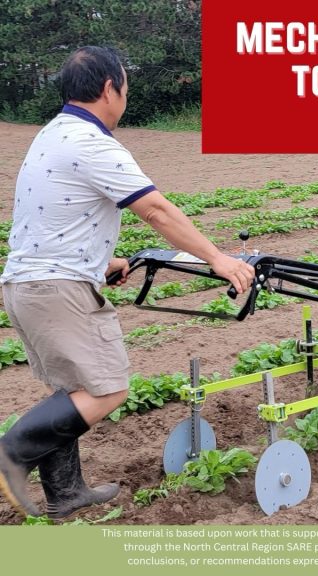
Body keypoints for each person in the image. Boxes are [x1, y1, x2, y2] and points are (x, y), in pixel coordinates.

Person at [0, 46, 255, 519]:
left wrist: (102, 261)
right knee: (106, 390)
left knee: (72, 388)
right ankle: (11, 452)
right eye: (125, 88)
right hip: (57, 289)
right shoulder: (93, 144)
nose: (125, 99)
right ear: (108, 89)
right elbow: (155, 209)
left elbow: (53, 218)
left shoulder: (52, 134)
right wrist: (218, 258)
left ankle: (66, 491)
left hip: (30, 284)